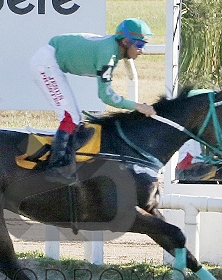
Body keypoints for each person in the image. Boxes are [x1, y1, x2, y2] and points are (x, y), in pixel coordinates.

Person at [30, 18, 157, 170]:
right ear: (125, 41)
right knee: (70, 118)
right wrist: (138, 106)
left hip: (49, 57)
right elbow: (106, 96)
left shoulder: (113, 49)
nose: (142, 51)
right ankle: (55, 168)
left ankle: (66, 161)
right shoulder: (108, 54)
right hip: (45, 63)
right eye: (140, 45)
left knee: (75, 120)